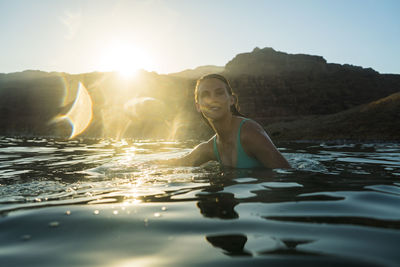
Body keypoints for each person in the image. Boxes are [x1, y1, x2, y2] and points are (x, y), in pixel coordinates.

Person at [160, 74, 290, 169]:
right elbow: (177, 164)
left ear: (231, 100)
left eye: (219, 93)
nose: (212, 99)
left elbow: (288, 175)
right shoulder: (210, 148)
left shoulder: (249, 133)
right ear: (198, 106)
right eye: (205, 95)